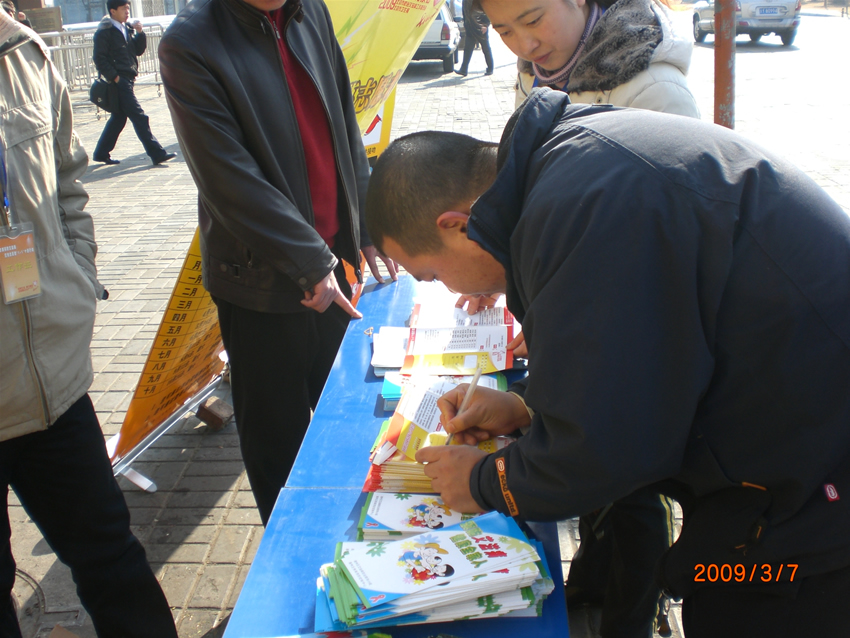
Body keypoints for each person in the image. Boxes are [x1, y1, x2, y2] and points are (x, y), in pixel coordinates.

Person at [364, 88, 850, 638]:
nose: (448, 290)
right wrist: (527, 409)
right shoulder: (567, 169)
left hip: (811, 506)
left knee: (734, 605)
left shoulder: (579, 211)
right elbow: (635, 368)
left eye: (431, 275)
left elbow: (602, 448)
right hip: (785, 446)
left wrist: (482, 482)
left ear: (457, 226)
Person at [159, 0, 397, 526]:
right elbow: (226, 177)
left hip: (331, 265)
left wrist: (366, 223)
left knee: (349, 415)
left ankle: (355, 536)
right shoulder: (190, 42)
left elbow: (344, 126)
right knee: (278, 441)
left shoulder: (309, 11)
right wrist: (307, 260)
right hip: (261, 278)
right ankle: (290, 549)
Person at [0, 13, 178, 637]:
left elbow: (67, 181)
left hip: (52, 380)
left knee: (111, 557)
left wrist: (76, 272)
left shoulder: (22, 53)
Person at [92, 0, 175, 166]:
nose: (127, 11)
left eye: (128, 8)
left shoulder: (127, 28)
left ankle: (101, 153)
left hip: (128, 78)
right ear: (113, 11)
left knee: (119, 118)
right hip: (118, 80)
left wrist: (140, 33)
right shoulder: (105, 31)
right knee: (139, 116)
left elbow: (137, 50)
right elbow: (99, 58)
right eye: (124, 8)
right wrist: (115, 77)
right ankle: (157, 153)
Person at [455, 0, 494, 77]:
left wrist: (486, 25)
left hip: (480, 27)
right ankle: (463, 69)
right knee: (467, 49)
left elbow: (489, 9)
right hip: (470, 27)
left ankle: (490, 68)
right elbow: (466, 12)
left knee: (485, 48)